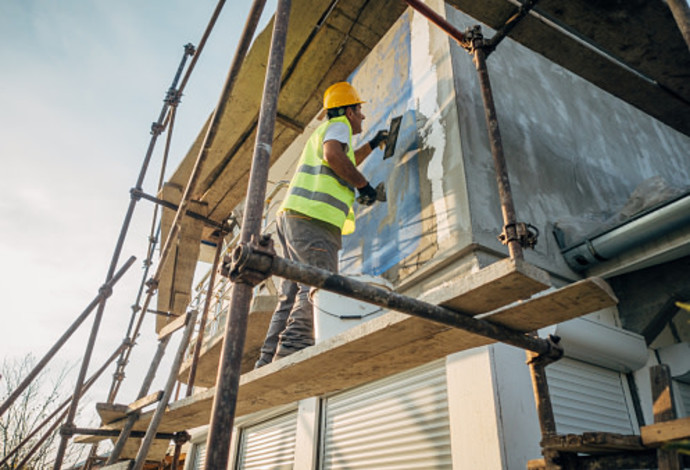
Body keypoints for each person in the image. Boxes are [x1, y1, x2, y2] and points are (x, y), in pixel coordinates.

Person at [254, 82, 388, 367]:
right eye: (360, 110)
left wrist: (374, 144)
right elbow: (334, 156)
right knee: (319, 287)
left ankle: (267, 362)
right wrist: (364, 187)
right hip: (313, 222)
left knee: (290, 294)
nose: (363, 116)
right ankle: (294, 354)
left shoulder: (330, 132)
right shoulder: (338, 125)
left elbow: (344, 157)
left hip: (293, 217)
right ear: (348, 111)